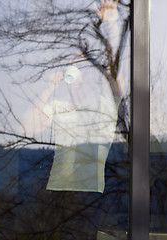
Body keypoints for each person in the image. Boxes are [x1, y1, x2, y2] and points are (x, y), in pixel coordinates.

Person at [22, 0, 126, 193]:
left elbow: (116, 78)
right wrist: (49, 88)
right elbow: (27, 127)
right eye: (70, 61)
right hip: (57, 193)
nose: (74, 63)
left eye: (80, 59)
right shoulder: (57, 105)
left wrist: (111, 25)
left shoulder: (100, 104)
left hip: (92, 196)